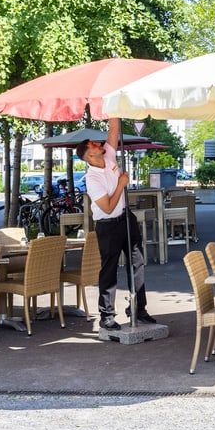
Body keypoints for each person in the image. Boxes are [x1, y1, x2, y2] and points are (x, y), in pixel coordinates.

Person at [76, 119, 156, 330]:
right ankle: (107, 315)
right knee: (109, 269)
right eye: (94, 144)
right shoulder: (92, 179)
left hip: (125, 218)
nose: (98, 144)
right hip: (108, 225)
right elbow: (108, 207)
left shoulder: (109, 155)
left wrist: (115, 109)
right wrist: (121, 184)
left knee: (137, 263)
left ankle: (138, 308)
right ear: (90, 155)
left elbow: (113, 130)